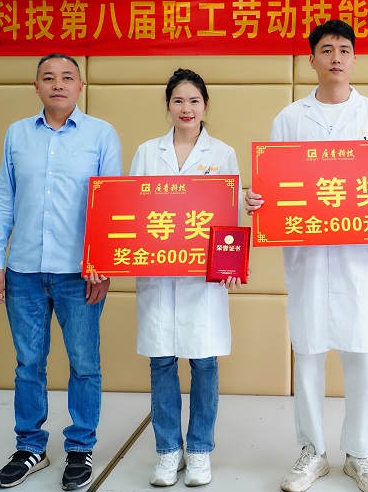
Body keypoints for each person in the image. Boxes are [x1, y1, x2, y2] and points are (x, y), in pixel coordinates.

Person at [245, 19, 368, 492]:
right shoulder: (290, 119)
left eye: (344, 49)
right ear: (311, 59)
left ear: (354, 59)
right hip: (308, 255)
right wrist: (257, 200)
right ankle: (312, 451)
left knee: (361, 353)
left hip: (360, 259)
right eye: (327, 49)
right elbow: (274, 185)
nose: (336, 57)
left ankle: (361, 453)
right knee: (308, 351)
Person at [0, 53, 122, 490]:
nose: (57, 84)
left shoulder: (101, 134)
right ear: (36, 86)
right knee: (28, 364)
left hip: (79, 273)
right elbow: (4, 199)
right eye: (48, 77)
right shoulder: (17, 134)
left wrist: (103, 265)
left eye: (66, 77)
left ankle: (80, 448)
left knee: (84, 364)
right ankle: (30, 447)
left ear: (80, 86)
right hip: (22, 270)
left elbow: (112, 206)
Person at [130, 68, 242, 488]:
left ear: (205, 105)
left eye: (194, 100)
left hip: (202, 281)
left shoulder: (223, 153)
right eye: (178, 100)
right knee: (161, 363)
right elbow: (131, 210)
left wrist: (230, 266)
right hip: (158, 275)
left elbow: (231, 217)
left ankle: (198, 450)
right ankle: (167, 451)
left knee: (204, 363)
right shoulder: (147, 152)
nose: (186, 108)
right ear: (168, 106)